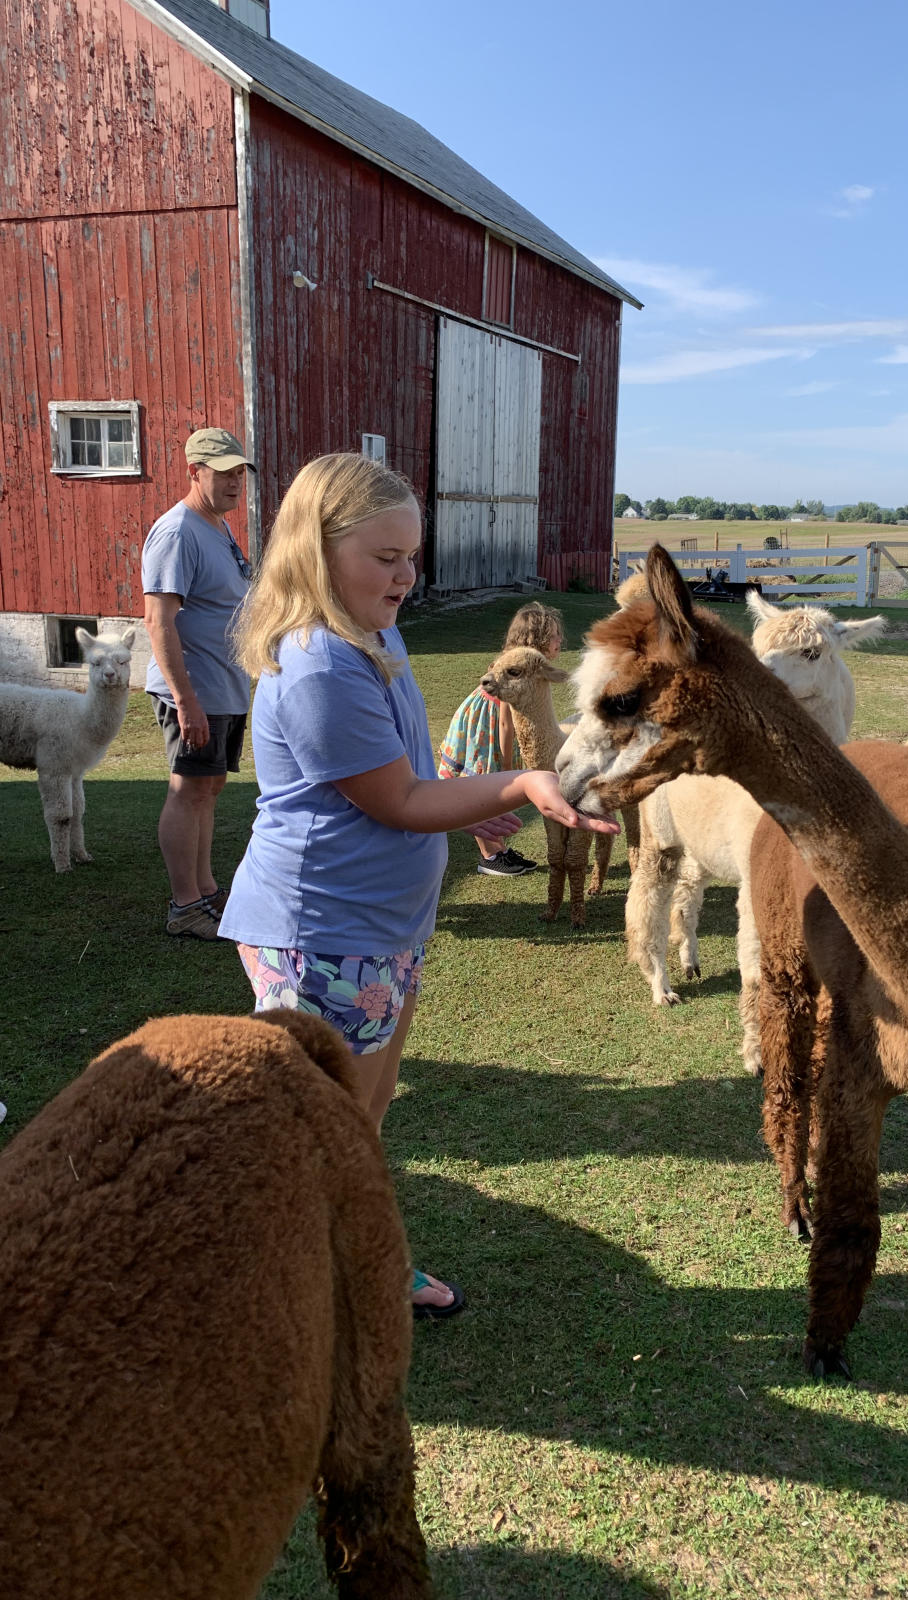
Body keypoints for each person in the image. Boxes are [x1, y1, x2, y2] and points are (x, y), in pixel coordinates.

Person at [217, 453, 616, 1317]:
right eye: (383, 556)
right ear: (316, 550)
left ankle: (341, 1263)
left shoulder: (375, 632)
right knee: (323, 1126)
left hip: (379, 925)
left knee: (366, 1109)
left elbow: (406, 770)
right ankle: (305, 1283)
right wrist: (517, 786)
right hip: (324, 931)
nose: (405, 575)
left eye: (412, 555)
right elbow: (398, 800)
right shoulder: (321, 663)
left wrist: (477, 795)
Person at [142, 427, 255, 940]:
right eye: (224, 472)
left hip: (224, 687)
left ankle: (206, 890)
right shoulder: (178, 531)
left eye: (239, 472)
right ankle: (185, 905)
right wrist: (185, 701)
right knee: (188, 791)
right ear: (194, 471)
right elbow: (158, 620)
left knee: (209, 788)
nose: (236, 482)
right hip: (196, 691)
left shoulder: (218, 527)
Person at [437, 600, 566, 877]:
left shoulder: (526, 665)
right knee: (488, 786)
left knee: (492, 790)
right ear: (537, 638)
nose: (560, 640)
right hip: (489, 726)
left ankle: (499, 849)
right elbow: (506, 722)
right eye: (554, 635)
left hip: (488, 720)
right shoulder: (515, 667)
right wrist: (508, 767)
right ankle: (490, 855)